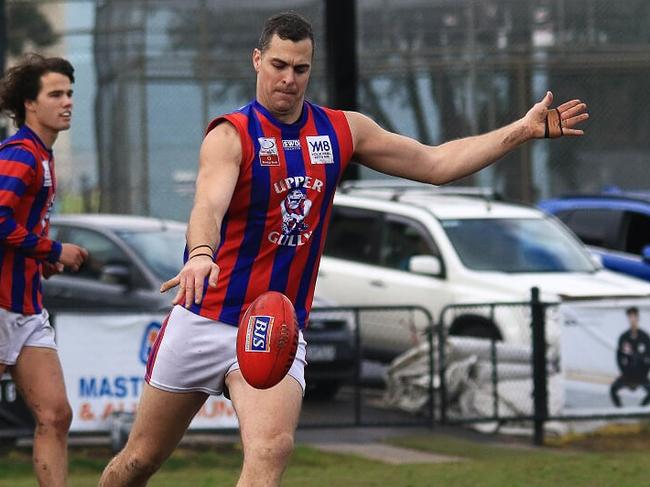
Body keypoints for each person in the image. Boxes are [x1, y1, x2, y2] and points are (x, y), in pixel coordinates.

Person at [99, 11, 588, 486]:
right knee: (140, 461)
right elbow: (207, 203)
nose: (289, 79)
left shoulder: (341, 130)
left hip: (276, 322)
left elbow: (436, 164)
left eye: (300, 68)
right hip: (204, 318)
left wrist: (520, 131)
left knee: (272, 449)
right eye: (279, 65)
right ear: (256, 60)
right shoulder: (231, 134)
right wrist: (202, 252)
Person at [0, 53, 88, 487]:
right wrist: (54, 248)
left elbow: (17, 228)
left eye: (69, 93)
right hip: (0, 304)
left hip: (26, 307)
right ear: (30, 105)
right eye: (55, 94)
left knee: (56, 413)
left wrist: (44, 258)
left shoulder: (44, 155)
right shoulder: (21, 154)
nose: (67, 101)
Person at [610, 307, 650, 407]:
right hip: (627, 375)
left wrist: (645, 372)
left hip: (641, 375)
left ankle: (639, 410)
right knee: (613, 389)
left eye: (634, 317)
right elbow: (619, 357)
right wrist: (623, 372)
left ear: (638, 318)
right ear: (628, 318)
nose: (632, 319)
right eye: (630, 317)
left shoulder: (645, 337)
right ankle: (621, 412)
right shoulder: (624, 337)